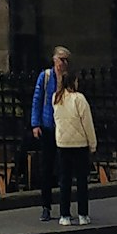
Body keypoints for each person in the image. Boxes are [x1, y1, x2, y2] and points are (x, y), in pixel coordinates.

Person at [52, 59, 97, 227]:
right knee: (81, 181)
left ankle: (64, 215)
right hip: (79, 145)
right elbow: (88, 124)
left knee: (65, 181)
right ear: (74, 81)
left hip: (62, 144)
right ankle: (83, 214)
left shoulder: (56, 99)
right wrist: (92, 144)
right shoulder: (79, 99)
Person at [30, 47, 70, 221]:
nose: (63, 63)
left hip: (64, 128)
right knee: (46, 168)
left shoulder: (69, 78)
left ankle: (64, 208)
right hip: (47, 126)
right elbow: (37, 99)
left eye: (66, 60)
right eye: (61, 59)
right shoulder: (45, 77)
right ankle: (46, 207)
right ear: (54, 60)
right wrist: (35, 123)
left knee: (64, 169)